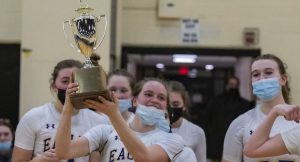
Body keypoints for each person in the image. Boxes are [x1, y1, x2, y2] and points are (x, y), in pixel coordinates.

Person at [55, 78, 184, 162]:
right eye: (148, 94)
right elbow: (63, 152)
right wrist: (68, 107)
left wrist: (113, 114)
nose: (155, 100)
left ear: (166, 106)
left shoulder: (172, 139)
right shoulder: (105, 132)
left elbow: (145, 158)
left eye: (161, 98)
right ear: (135, 101)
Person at [12, 59, 109, 162]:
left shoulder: (98, 121)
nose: (70, 86)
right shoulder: (32, 117)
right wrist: (39, 160)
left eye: (75, 81)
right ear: (54, 85)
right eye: (65, 81)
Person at [222, 54, 300, 162]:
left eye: (268, 73)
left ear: (283, 79)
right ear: (252, 81)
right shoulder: (240, 123)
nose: (262, 79)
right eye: (256, 74)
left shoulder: (297, 119)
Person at [204, 76, 252, 162]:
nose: (233, 87)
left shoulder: (245, 104)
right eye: (231, 84)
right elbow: (206, 120)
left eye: (235, 85)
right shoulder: (215, 102)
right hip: (217, 144)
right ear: (226, 85)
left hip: (237, 143)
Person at [167, 80, 207, 162]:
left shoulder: (197, 132)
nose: (171, 108)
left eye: (176, 104)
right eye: (167, 104)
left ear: (184, 105)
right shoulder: (152, 128)